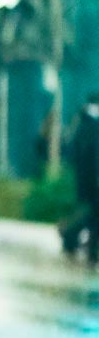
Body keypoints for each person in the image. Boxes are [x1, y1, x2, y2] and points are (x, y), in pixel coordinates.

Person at [62, 93, 99, 263]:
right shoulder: (92, 124)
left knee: (91, 213)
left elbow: (71, 152)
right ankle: (72, 235)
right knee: (91, 213)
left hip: (85, 179)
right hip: (92, 180)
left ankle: (89, 248)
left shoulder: (83, 121)